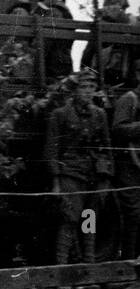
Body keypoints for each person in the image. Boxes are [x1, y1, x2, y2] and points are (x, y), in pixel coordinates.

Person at [45, 69, 112, 263]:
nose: (88, 91)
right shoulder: (60, 114)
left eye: (92, 87)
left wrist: (106, 179)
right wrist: (56, 183)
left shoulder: (99, 115)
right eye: (84, 87)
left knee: (90, 218)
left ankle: (89, 261)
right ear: (74, 90)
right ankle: (62, 265)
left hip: (94, 174)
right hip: (70, 173)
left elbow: (106, 148)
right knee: (70, 218)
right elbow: (52, 150)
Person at [14, 0, 75, 79]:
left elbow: (42, 49)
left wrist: (24, 48)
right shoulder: (48, 13)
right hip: (57, 67)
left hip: (52, 71)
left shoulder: (50, 14)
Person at [81, 0, 137, 88]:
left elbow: (87, 55)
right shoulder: (133, 22)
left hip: (100, 77)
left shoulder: (99, 24)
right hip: (126, 78)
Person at [112, 82, 140, 259]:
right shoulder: (129, 99)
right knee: (134, 214)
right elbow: (118, 129)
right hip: (129, 164)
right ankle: (129, 259)